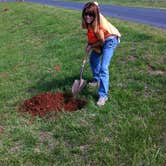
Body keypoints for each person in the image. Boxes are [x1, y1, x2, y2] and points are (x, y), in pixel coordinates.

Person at [82, 2, 121, 106]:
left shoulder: (99, 25)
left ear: (95, 15)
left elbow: (102, 41)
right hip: (101, 39)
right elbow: (92, 35)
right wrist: (89, 44)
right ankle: (97, 79)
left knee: (104, 67)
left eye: (90, 15)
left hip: (110, 39)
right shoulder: (89, 21)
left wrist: (91, 46)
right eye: (86, 14)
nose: (88, 17)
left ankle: (103, 96)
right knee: (93, 59)